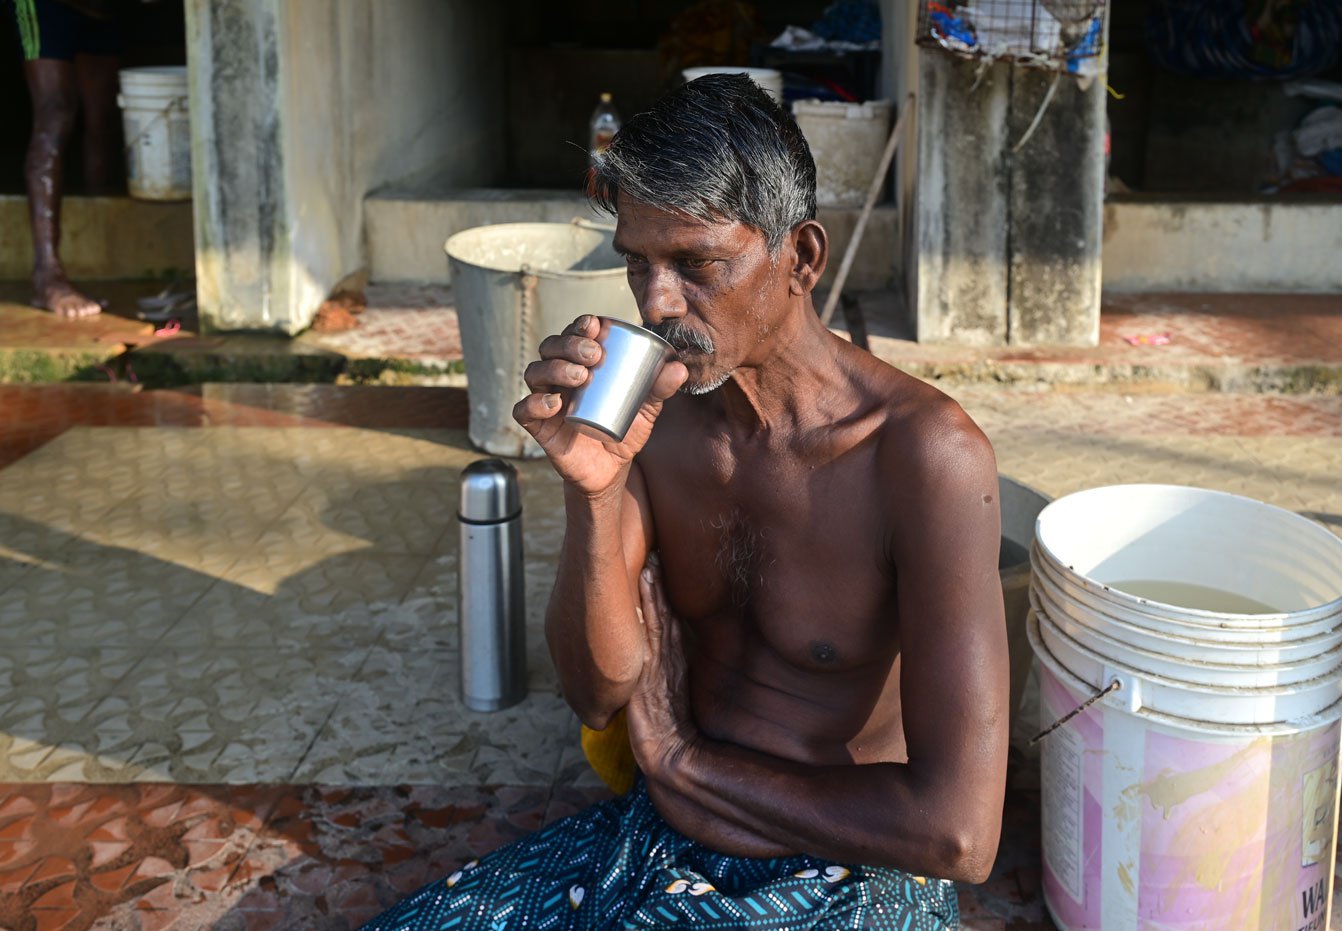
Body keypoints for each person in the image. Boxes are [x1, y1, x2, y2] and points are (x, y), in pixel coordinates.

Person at [363, 74, 1008, 930]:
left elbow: (958, 834)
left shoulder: (924, 457)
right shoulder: (654, 425)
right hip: (659, 836)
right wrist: (592, 492)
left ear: (801, 258)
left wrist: (681, 761)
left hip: (849, 870)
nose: (657, 302)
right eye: (637, 261)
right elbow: (596, 693)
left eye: (696, 263)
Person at [9, 0, 125, 317]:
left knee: (104, 119)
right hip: (47, 6)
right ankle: (47, 274)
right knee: (55, 113)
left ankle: (102, 261)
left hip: (98, 9)